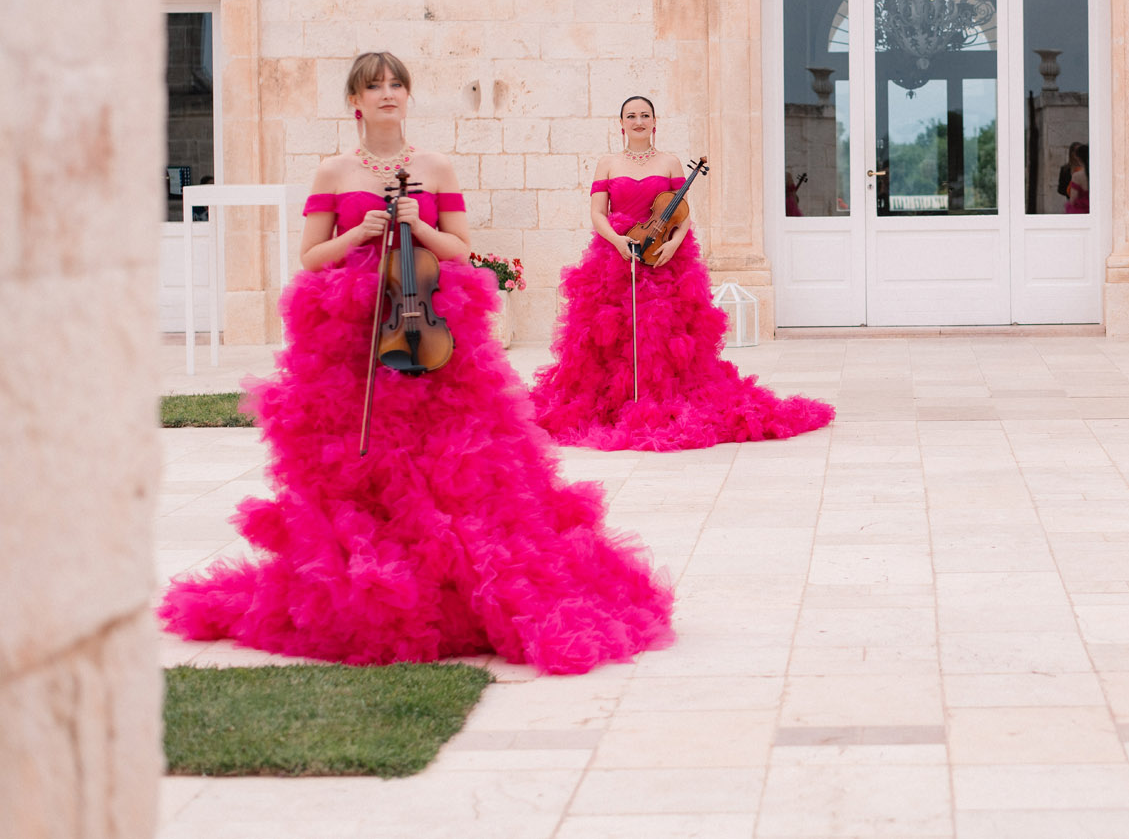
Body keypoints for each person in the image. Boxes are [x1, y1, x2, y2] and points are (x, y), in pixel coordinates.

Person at [159, 53, 673, 674]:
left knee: (452, 454)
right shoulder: (333, 171)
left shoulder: (434, 167)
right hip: (353, 331)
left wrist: (417, 227)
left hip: (429, 325)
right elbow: (311, 256)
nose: (387, 93)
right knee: (363, 452)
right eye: (374, 85)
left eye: (396, 84)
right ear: (355, 100)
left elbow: (459, 246)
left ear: (407, 96)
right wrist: (359, 233)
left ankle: (450, 572)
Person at [530, 95, 834, 450]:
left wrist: (674, 244)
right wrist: (617, 241)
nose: (639, 121)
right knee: (612, 332)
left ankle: (658, 398)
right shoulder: (607, 164)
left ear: (654, 122)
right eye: (632, 116)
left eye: (645, 115)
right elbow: (598, 213)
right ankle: (618, 402)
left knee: (664, 333)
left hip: (663, 258)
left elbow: (681, 213)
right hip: (617, 257)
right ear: (621, 123)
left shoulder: (670, 162)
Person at [1063, 142, 1090, 215]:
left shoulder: (1077, 176)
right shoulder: (1097, 174)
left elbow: (1073, 199)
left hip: (1081, 211)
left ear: (1078, 158)